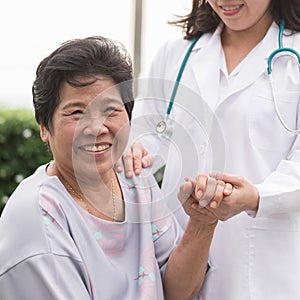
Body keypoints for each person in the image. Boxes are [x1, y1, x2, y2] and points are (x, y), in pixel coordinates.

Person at [0, 36, 232, 300]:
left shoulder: (135, 181)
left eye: (110, 110)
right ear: (44, 126)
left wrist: (202, 222)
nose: (97, 128)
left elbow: (177, 290)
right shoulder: (39, 215)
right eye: (77, 112)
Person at [121, 0, 300, 299]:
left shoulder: (294, 57)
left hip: (267, 270)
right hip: (181, 261)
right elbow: (145, 139)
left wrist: (255, 197)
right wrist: (135, 152)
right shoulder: (175, 55)